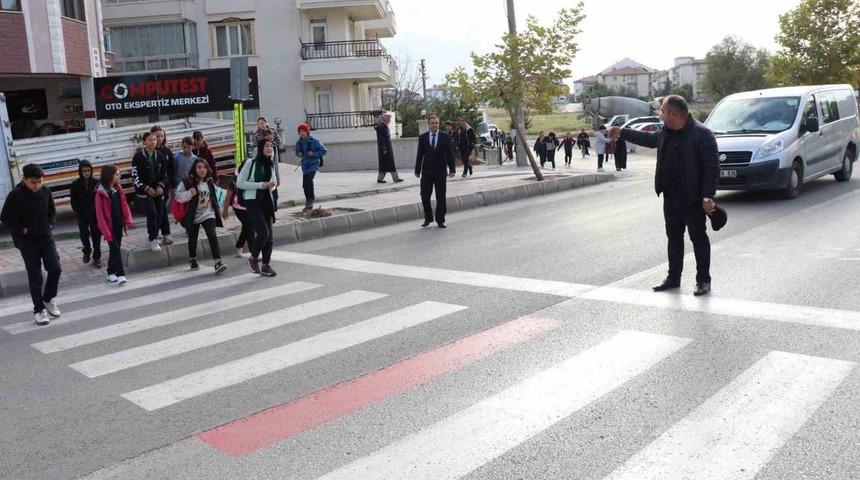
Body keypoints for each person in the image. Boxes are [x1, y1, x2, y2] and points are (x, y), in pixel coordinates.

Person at [610, 95, 719, 296]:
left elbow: (712, 168)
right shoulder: (666, 133)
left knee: (698, 239)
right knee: (674, 238)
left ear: (673, 113)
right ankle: (673, 278)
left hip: (693, 199)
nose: (660, 115)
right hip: (671, 197)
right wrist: (622, 132)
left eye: (662, 111)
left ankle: (703, 280)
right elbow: (647, 139)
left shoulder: (702, 134)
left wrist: (707, 197)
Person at [1, 164, 61, 325]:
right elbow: (5, 216)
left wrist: (50, 225)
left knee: (55, 268)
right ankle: (39, 310)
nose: (37, 185)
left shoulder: (46, 191)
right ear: (24, 179)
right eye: (34, 182)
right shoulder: (16, 195)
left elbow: (52, 212)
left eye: (40, 182)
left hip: (45, 238)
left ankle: (48, 298)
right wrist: (22, 229)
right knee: (35, 275)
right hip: (27, 242)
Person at [175, 158, 228, 274]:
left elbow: (214, 196)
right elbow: (177, 197)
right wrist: (189, 193)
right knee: (193, 238)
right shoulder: (187, 182)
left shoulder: (209, 181)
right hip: (192, 215)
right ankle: (193, 259)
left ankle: (217, 262)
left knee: (212, 235)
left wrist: (219, 210)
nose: (202, 170)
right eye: (199, 167)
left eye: (204, 167)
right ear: (194, 169)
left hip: (208, 213)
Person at [237, 139, 278, 277]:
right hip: (253, 201)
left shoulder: (270, 164)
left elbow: (274, 182)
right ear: (260, 148)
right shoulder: (251, 163)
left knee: (270, 237)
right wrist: (260, 185)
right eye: (267, 146)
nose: (269, 148)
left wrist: (273, 185)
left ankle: (266, 265)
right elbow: (240, 183)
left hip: (267, 201)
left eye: (271, 146)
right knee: (263, 233)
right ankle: (253, 258)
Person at [95, 164, 133, 285]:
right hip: (108, 227)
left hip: (118, 225)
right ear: (109, 176)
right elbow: (100, 216)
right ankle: (120, 274)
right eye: (117, 174)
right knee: (116, 248)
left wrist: (128, 219)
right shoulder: (100, 193)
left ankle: (110, 272)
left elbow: (124, 205)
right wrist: (106, 233)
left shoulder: (118, 189)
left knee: (114, 250)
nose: (119, 176)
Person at [415, 115, 455, 228]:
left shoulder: (444, 137)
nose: (434, 125)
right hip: (427, 172)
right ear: (429, 124)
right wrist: (417, 170)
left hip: (440, 171)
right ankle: (428, 217)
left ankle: (440, 220)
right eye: (432, 123)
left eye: (436, 123)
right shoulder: (423, 137)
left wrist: (452, 169)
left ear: (438, 124)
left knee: (440, 196)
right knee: (424, 195)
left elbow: (450, 154)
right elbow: (420, 155)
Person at [132, 131, 169, 252]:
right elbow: (135, 177)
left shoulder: (160, 156)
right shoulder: (138, 157)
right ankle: (152, 239)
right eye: (150, 140)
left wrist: (160, 186)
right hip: (145, 192)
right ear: (144, 142)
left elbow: (164, 174)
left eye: (154, 140)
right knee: (152, 214)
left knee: (159, 214)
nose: (153, 142)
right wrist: (146, 188)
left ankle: (156, 234)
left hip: (158, 191)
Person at [69, 159, 101, 268]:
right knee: (83, 234)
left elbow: (101, 198)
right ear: (80, 172)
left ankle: (97, 257)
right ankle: (87, 250)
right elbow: (73, 201)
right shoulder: (75, 184)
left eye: (88, 170)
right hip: (82, 215)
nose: (87, 173)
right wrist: (78, 211)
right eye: (84, 171)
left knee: (96, 235)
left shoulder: (97, 183)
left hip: (95, 215)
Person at [294, 123, 328, 213]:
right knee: (305, 185)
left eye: (303, 131)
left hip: (313, 164)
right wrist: (299, 154)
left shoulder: (314, 141)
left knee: (309, 181)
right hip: (305, 165)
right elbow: (297, 151)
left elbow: (324, 150)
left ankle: (311, 200)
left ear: (307, 131)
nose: (302, 133)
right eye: (300, 132)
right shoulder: (299, 142)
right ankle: (308, 202)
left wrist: (314, 154)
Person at [150, 126, 174, 246]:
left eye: (161, 136)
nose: (159, 139)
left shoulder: (167, 151)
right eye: (156, 136)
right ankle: (155, 234)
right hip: (150, 187)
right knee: (154, 212)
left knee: (162, 210)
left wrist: (172, 184)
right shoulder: (148, 153)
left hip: (163, 186)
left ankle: (165, 234)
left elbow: (171, 169)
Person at [222, 172, 251, 258]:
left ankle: (240, 246)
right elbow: (228, 196)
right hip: (238, 207)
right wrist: (225, 210)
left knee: (248, 227)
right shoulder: (235, 180)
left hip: (250, 206)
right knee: (249, 226)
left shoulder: (253, 176)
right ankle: (253, 252)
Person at [375, 113, 403, 183]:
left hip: (385, 148)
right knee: (390, 163)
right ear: (385, 118)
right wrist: (384, 149)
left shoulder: (383, 125)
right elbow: (381, 139)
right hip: (385, 148)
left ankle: (380, 179)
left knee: (383, 164)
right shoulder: (381, 126)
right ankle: (395, 178)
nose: (389, 120)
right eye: (388, 118)